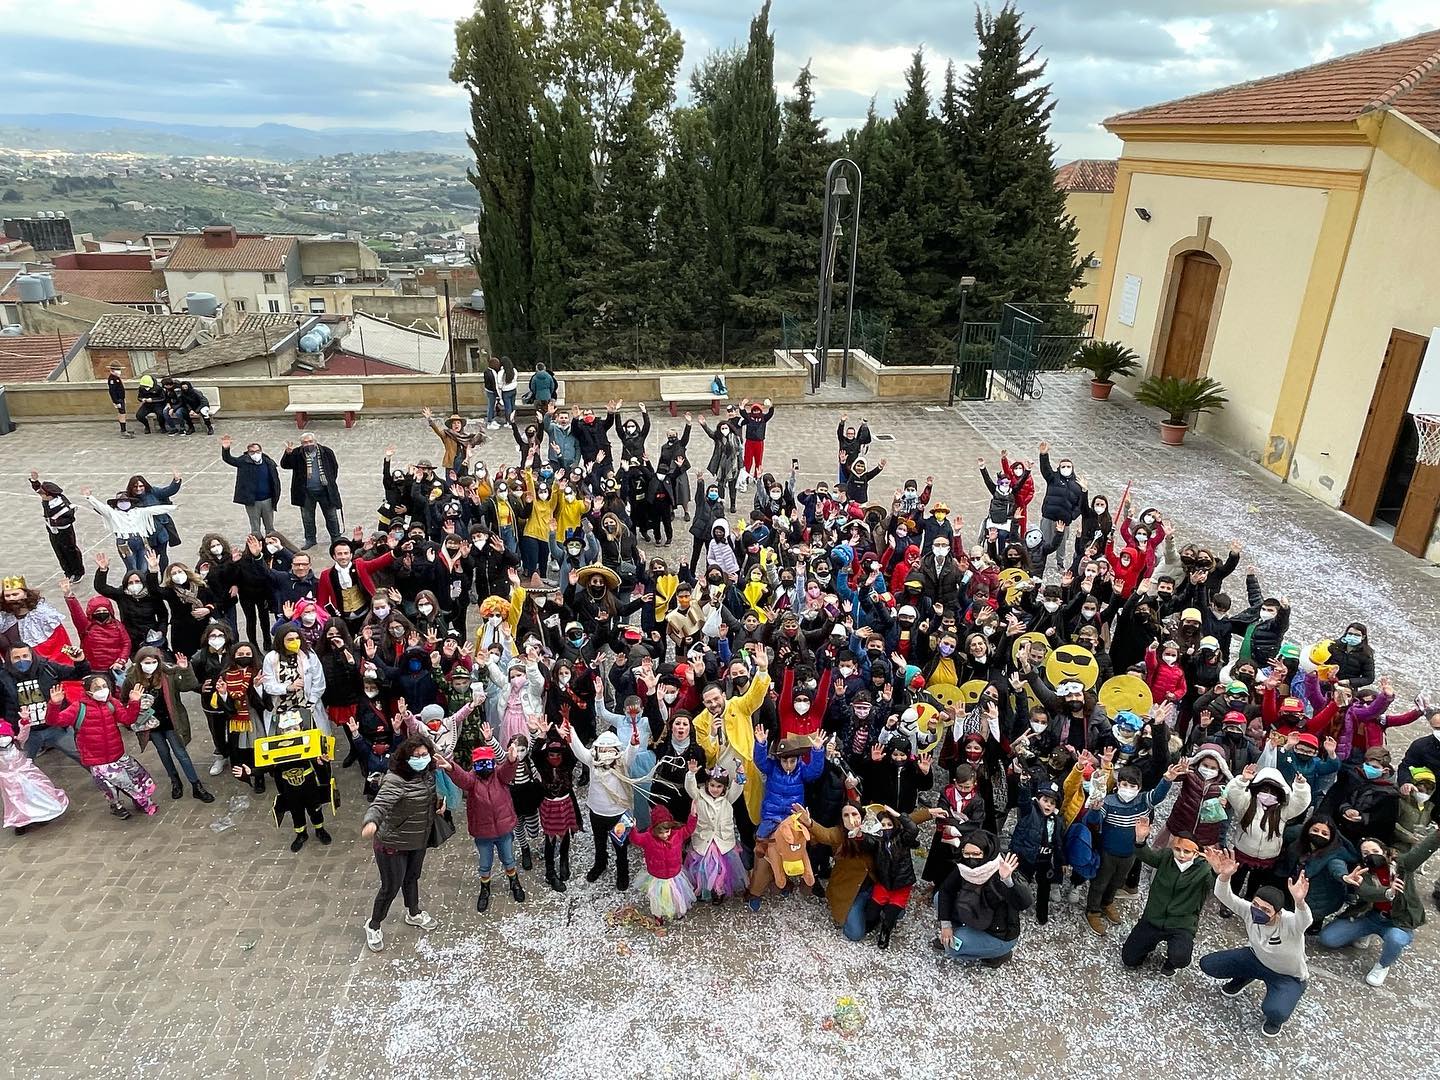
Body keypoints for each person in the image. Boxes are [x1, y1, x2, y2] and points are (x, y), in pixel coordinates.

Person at [1199, 847, 1311, 1039]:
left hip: (1287, 977)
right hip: (1255, 959)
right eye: (1256, 905)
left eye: (1266, 910)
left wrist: (1300, 902)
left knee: (1275, 1011)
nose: (1258, 911)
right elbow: (1226, 896)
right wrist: (1225, 877)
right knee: (1209, 964)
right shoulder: (1249, 911)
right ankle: (1245, 976)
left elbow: (1305, 920)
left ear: (1277, 913)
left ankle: (1275, 1021)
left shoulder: (1290, 922)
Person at [1316, 827, 1440, 986]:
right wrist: (1387, 892)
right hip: (1370, 917)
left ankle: (1382, 966)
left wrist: (1437, 835)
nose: (1371, 855)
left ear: (1385, 852)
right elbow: (1366, 892)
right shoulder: (1362, 873)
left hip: (1398, 922)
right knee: (1328, 938)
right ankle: (1366, 933)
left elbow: (1422, 851)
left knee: (1396, 939)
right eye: (1365, 853)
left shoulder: (1402, 865)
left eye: (1375, 850)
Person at [359, 734, 441, 952]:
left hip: (417, 838)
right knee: (390, 886)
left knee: (412, 877)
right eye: (416, 756)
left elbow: (427, 797)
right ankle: (374, 924)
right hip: (392, 843)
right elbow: (380, 804)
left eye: (424, 754)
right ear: (406, 758)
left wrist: (438, 805)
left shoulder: (428, 773)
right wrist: (372, 822)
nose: (421, 759)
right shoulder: (396, 779)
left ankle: (413, 913)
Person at [44, 674, 158, 819]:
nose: (102, 690)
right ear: (87, 691)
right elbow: (55, 721)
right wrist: (54, 705)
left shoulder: (112, 703)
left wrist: (134, 702)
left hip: (118, 755)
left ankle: (138, 801)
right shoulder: (78, 708)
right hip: (97, 761)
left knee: (132, 781)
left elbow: (128, 719)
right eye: (97, 688)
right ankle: (117, 806)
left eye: (104, 686)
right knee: (111, 788)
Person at [445, 737, 528, 913]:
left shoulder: (499, 774)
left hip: (503, 830)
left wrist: (512, 760)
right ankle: (485, 889)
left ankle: (514, 882)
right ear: (474, 764)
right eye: (480, 764)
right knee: (484, 863)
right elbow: (462, 779)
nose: (484, 767)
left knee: (508, 859)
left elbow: (508, 771)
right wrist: (451, 768)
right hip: (483, 833)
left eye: (487, 763)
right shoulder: (472, 780)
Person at [1120, 826, 1215, 975]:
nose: (1181, 855)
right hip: (1153, 918)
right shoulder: (1166, 857)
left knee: (1181, 957)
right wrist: (1140, 840)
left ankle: (1171, 963)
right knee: (1129, 959)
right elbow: (1147, 856)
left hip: (1181, 924)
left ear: (1196, 854)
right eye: (1177, 849)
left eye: (1187, 851)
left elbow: (1214, 885)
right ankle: (1147, 944)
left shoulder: (1204, 871)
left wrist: (1219, 873)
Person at [933, 830, 1033, 966]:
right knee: (939, 897)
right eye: (966, 853)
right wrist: (946, 926)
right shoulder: (964, 868)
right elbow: (946, 890)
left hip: (997, 934)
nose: (971, 858)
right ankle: (953, 934)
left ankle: (1000, 954)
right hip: (974, 915)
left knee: (952, 948)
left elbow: (1024, 902)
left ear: (986, 852)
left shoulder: (1002, 869)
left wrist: (1008, 880)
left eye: (976, 854)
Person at [0, 719, 69, 834]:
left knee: (37, 793)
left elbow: (24, 733)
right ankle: (21, 822)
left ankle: (42, 813)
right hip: (9, 780)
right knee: (16, 801)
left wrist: (24, 722)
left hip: (26, 773)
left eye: (4, 736)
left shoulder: (17, 743)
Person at [632, 805, 699, 923]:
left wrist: (693, 816)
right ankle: (658, 916)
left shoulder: (678, 834)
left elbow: (689, 829)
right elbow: (636, 839)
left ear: (671, 827)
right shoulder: (648, 838)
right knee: (657, 898)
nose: (664, 835)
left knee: (677, 895)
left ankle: (679, 911)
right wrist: (633, 828)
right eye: (660, 832)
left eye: (667, 831)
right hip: (657, 876)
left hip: (674, 874)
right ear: (654, 829)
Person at [280, 432, 343, 550]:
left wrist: (328, 481)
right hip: (306, 492)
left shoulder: (326, 452)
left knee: (331, 516)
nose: (308, 444)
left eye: (310, 441)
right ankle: (310, 539)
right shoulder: (297, 453)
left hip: (325, 491)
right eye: (305, 442)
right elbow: (285, 465)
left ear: (315, 441)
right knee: (307, 518)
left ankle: (336, 538)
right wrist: (287, 454)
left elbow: (334, 468)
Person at [219, 435, 282, 538]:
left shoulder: (268, 462)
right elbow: (229, 459)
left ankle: (271, 545)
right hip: (252, 502)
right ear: (248, 453)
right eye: (252, 452)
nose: (255, 454)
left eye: (257, 451)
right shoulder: (243, 461)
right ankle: (258, 548)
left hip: (268, 500)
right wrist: (226, 449)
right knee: (255, 528)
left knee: (270, 527)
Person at [27, 473, 84, 581]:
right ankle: (68, 572)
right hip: (52, 530)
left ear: (50, 495)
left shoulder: (63, 505)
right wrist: (35, 480)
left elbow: (70, 518)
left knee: (70, 551)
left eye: (43, 494)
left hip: (65, 531)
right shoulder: (47, 499)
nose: (41, 495)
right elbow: (38, 489)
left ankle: (78, 572)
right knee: (58, 551)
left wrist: (55, 522)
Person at [106, 364, 136, 438]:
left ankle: (124, 429)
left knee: (122, 413)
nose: (119, 371)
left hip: (121, 398)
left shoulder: (116, 377)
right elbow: (112, 391)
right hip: (118, 399)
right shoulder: (112, 379)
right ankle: (123, 431)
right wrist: (116, 401)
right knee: (122, 414)